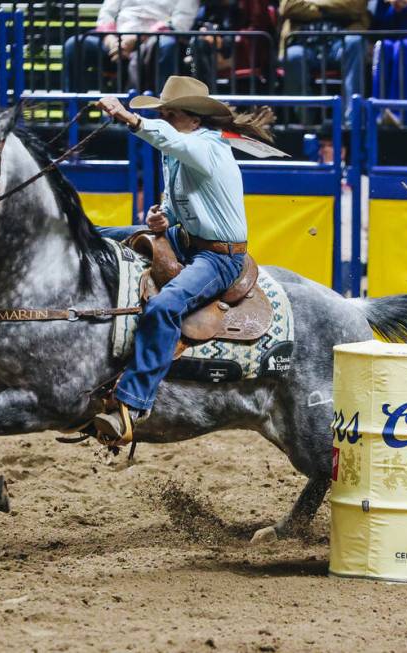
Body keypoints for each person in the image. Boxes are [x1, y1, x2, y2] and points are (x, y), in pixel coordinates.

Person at [93, 76, 276, 441]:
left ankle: (134, 402)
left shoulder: (208, 147)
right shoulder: (181, 149)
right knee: (99, 237)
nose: (164, 120)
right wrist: (159, 219)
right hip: (185, 240)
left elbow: (167, 139)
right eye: (160, 114)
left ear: (194, 120)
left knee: (165, 307)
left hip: (219, 257)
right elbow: (175, 204)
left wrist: (130, 119)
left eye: (170, 115)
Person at [63, 0, 199, 93]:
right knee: (74, 45)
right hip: (117, 41)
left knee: (168, 45)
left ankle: (162, 112)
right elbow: (106, 15)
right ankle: (75, 114)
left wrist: (137, 39)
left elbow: (180, 24)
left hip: (154, 41)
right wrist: (112, 41)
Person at [278, 0, 368, 116]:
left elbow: (355, 6)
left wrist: (313, 4)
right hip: (302, 41)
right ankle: (307, 122)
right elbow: (289, 6)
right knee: (292, 56)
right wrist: (331, 9)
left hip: (341, 41)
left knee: (356, 43)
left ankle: (352, 120)